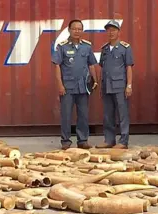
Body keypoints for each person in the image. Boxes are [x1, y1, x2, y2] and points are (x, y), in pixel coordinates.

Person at [51, 19, 98, 150]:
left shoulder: (87, 46)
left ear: (82, 31)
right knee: (66, 115)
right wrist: (60, 85)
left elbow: (91, 64)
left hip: (83, 87)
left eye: (79, 29)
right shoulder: (62, 46)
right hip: (67, 87)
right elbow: (57, 66)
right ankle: (66, 141)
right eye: (74, 28)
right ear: (69, 30)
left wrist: (95, 80)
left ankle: (82, 140)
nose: (77, 31)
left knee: (83, 115)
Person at [96, 20, 134, 149]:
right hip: (106, 86)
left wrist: (129, 85)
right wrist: (101, 86)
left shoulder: (125, 48)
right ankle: (109, 140)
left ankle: (123, 141)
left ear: (118, 31)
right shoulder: (104, 49)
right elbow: (103, 68)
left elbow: (129, 67)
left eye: (113, 30)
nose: (111, 32)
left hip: (120, 87)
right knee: (108, 114)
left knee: (122, 114)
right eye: (109, 30)